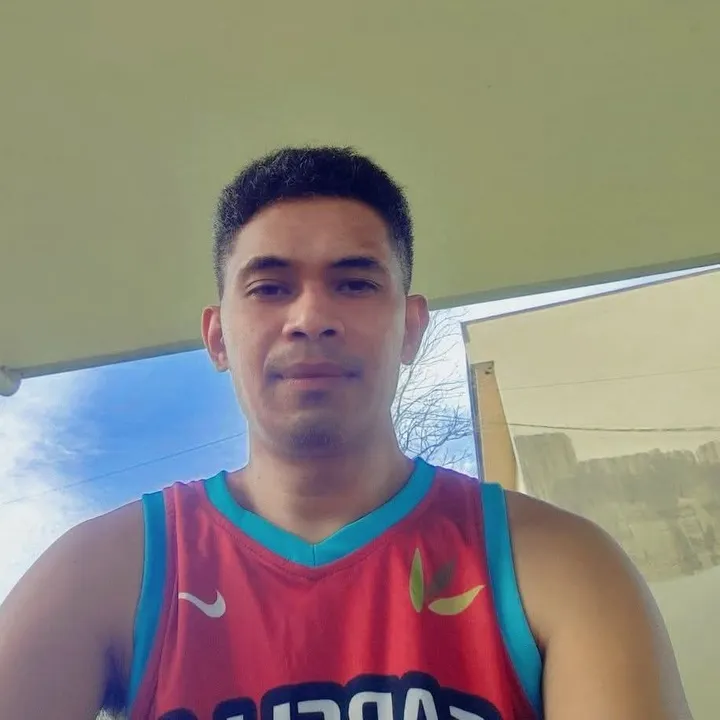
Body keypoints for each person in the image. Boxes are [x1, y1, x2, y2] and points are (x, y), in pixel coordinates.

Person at [0, 147, 692, 720]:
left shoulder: (560, 566)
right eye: (269, 288)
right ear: (217, 338)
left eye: (355, 284)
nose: (310, 318)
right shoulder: (102, 573)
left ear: (412, 329)